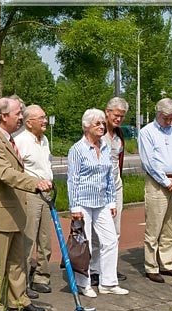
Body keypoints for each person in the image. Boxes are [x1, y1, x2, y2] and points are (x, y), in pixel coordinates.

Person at [0, 96, 52, 311]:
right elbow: (5, 173)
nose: (21, 117)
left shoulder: (7, 138)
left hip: (15, 209)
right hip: (1, 210)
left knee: (17, 260)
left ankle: (18, 299)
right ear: (3, 116)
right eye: (17, 114)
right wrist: (35, 182)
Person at [68, 108, 129, 298]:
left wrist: (111, 201)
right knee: (84, 245)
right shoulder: (77, 149)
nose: (102, 126)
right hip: (84, 202)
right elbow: (73, 179)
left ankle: (108, 282)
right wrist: (75, 207)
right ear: (87, 127)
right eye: (98, 124)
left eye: (103, 123)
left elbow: (110, 176)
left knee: (110, 240)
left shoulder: (104, 147)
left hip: (102, 201)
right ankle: (83, 283)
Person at [138, 98, 172, 283]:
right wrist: (166, 181)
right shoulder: (147, 132)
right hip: (157, 183)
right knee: (154, 226)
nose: (169, 121)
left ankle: (167, 263)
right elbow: (149, 162)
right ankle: (151, 266)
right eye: (166, 118)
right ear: (158, 114)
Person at [14, 104, 53, 297]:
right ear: (29, 123)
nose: (45, 121)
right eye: (42, 118)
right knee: (28, 239)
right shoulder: (20, 141)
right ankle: (22, 283)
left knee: (46, 239)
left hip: (47, 194)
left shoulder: (44, 140)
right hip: (30, 194)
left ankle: (41, 277)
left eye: (45, 117)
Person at [90, 97, 128, 286]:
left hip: (115, 185)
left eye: (122, 116)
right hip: (98, 188)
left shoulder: (119, 134)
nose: (119, 119)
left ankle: (110, 268)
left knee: (115, 229)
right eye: (116, 115)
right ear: (107, 112)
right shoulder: (98, 131)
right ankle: (94, 269)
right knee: (97, 232)